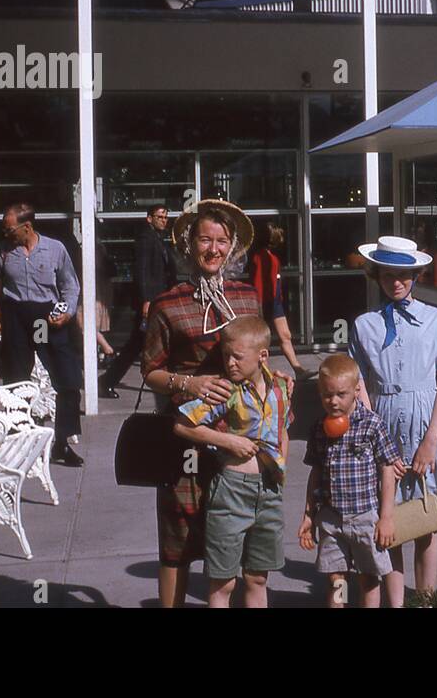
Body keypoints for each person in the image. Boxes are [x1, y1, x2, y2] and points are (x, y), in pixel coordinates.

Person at [141, 198, 294, 608]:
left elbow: (256, 350)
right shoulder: (167, 304)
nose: (213, 249)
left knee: (243, 554)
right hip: (187, 440)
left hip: (240, 444)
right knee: (179, 541)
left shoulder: (246, 296)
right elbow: (150, 371)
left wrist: (275, 377)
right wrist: (189, 383)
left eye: (221, 241)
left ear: (232, 247)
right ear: (189, 245)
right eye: (205, 240)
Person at [349, 235, 437, 607]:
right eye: (389, 274)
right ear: (376, 275)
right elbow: (358, 381)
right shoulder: (364, 325)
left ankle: (424, 600)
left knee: (425, 518)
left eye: (405, 275)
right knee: (387, 520)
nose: (397, 283)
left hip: (427, 421)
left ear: (416, 275)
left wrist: (431, 440)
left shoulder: (436, 320)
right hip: (383, 421)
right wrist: (375, 434)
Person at [174, 316, 292, 609]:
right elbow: (182, 425)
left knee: (257, 578)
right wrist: (229, 441)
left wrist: (280, 464)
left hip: (269, 492)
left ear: (262, 355)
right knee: (223, 580)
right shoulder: (226, 391)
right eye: (226, 355)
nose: (230, 363)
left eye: (237, 357)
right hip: (232, 492)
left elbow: (284, 429)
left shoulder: (281, 388)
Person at [0, 203, 85, 467]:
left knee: (68, 380)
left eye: (9, 229)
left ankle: (61, 443)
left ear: (27, 227)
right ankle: (19, 442)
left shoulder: (55, 249)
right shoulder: (2, 252)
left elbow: (70, 286)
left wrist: (68, 312)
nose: (5, 234)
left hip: (47, 317)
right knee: (16, 384)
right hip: (16, 317)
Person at [298, 354, 402, 609]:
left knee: (368, 579)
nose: (333, 401)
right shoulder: (318, 429)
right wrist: (309, 514)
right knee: (336, 580)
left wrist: (386, 517)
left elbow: (388, 469)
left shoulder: (371, 425)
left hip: (366, 517)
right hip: (331, 518)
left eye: (340, 394)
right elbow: (316, 472)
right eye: (326, 395)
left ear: (357, 391)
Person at [99, 204, 176, 399]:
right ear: (149, 218)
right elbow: (142, 271)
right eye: (160, 217)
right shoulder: (146, 238)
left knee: (150, 343)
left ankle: (110, 379)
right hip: (151, 302)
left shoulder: (159, 239)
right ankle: (108, 380)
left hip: (159, 300)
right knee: (137, 343)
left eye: (166, 217)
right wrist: (146, 300)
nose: (163, 220)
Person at [250, 223, 306, 379]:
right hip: (264, 301)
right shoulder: (261, 256)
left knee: (285, 335)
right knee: (263, 341)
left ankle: (298, 369)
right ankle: (266, 374)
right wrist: (259, 304)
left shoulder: (268, 255)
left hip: (274, 301)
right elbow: (259, 282)